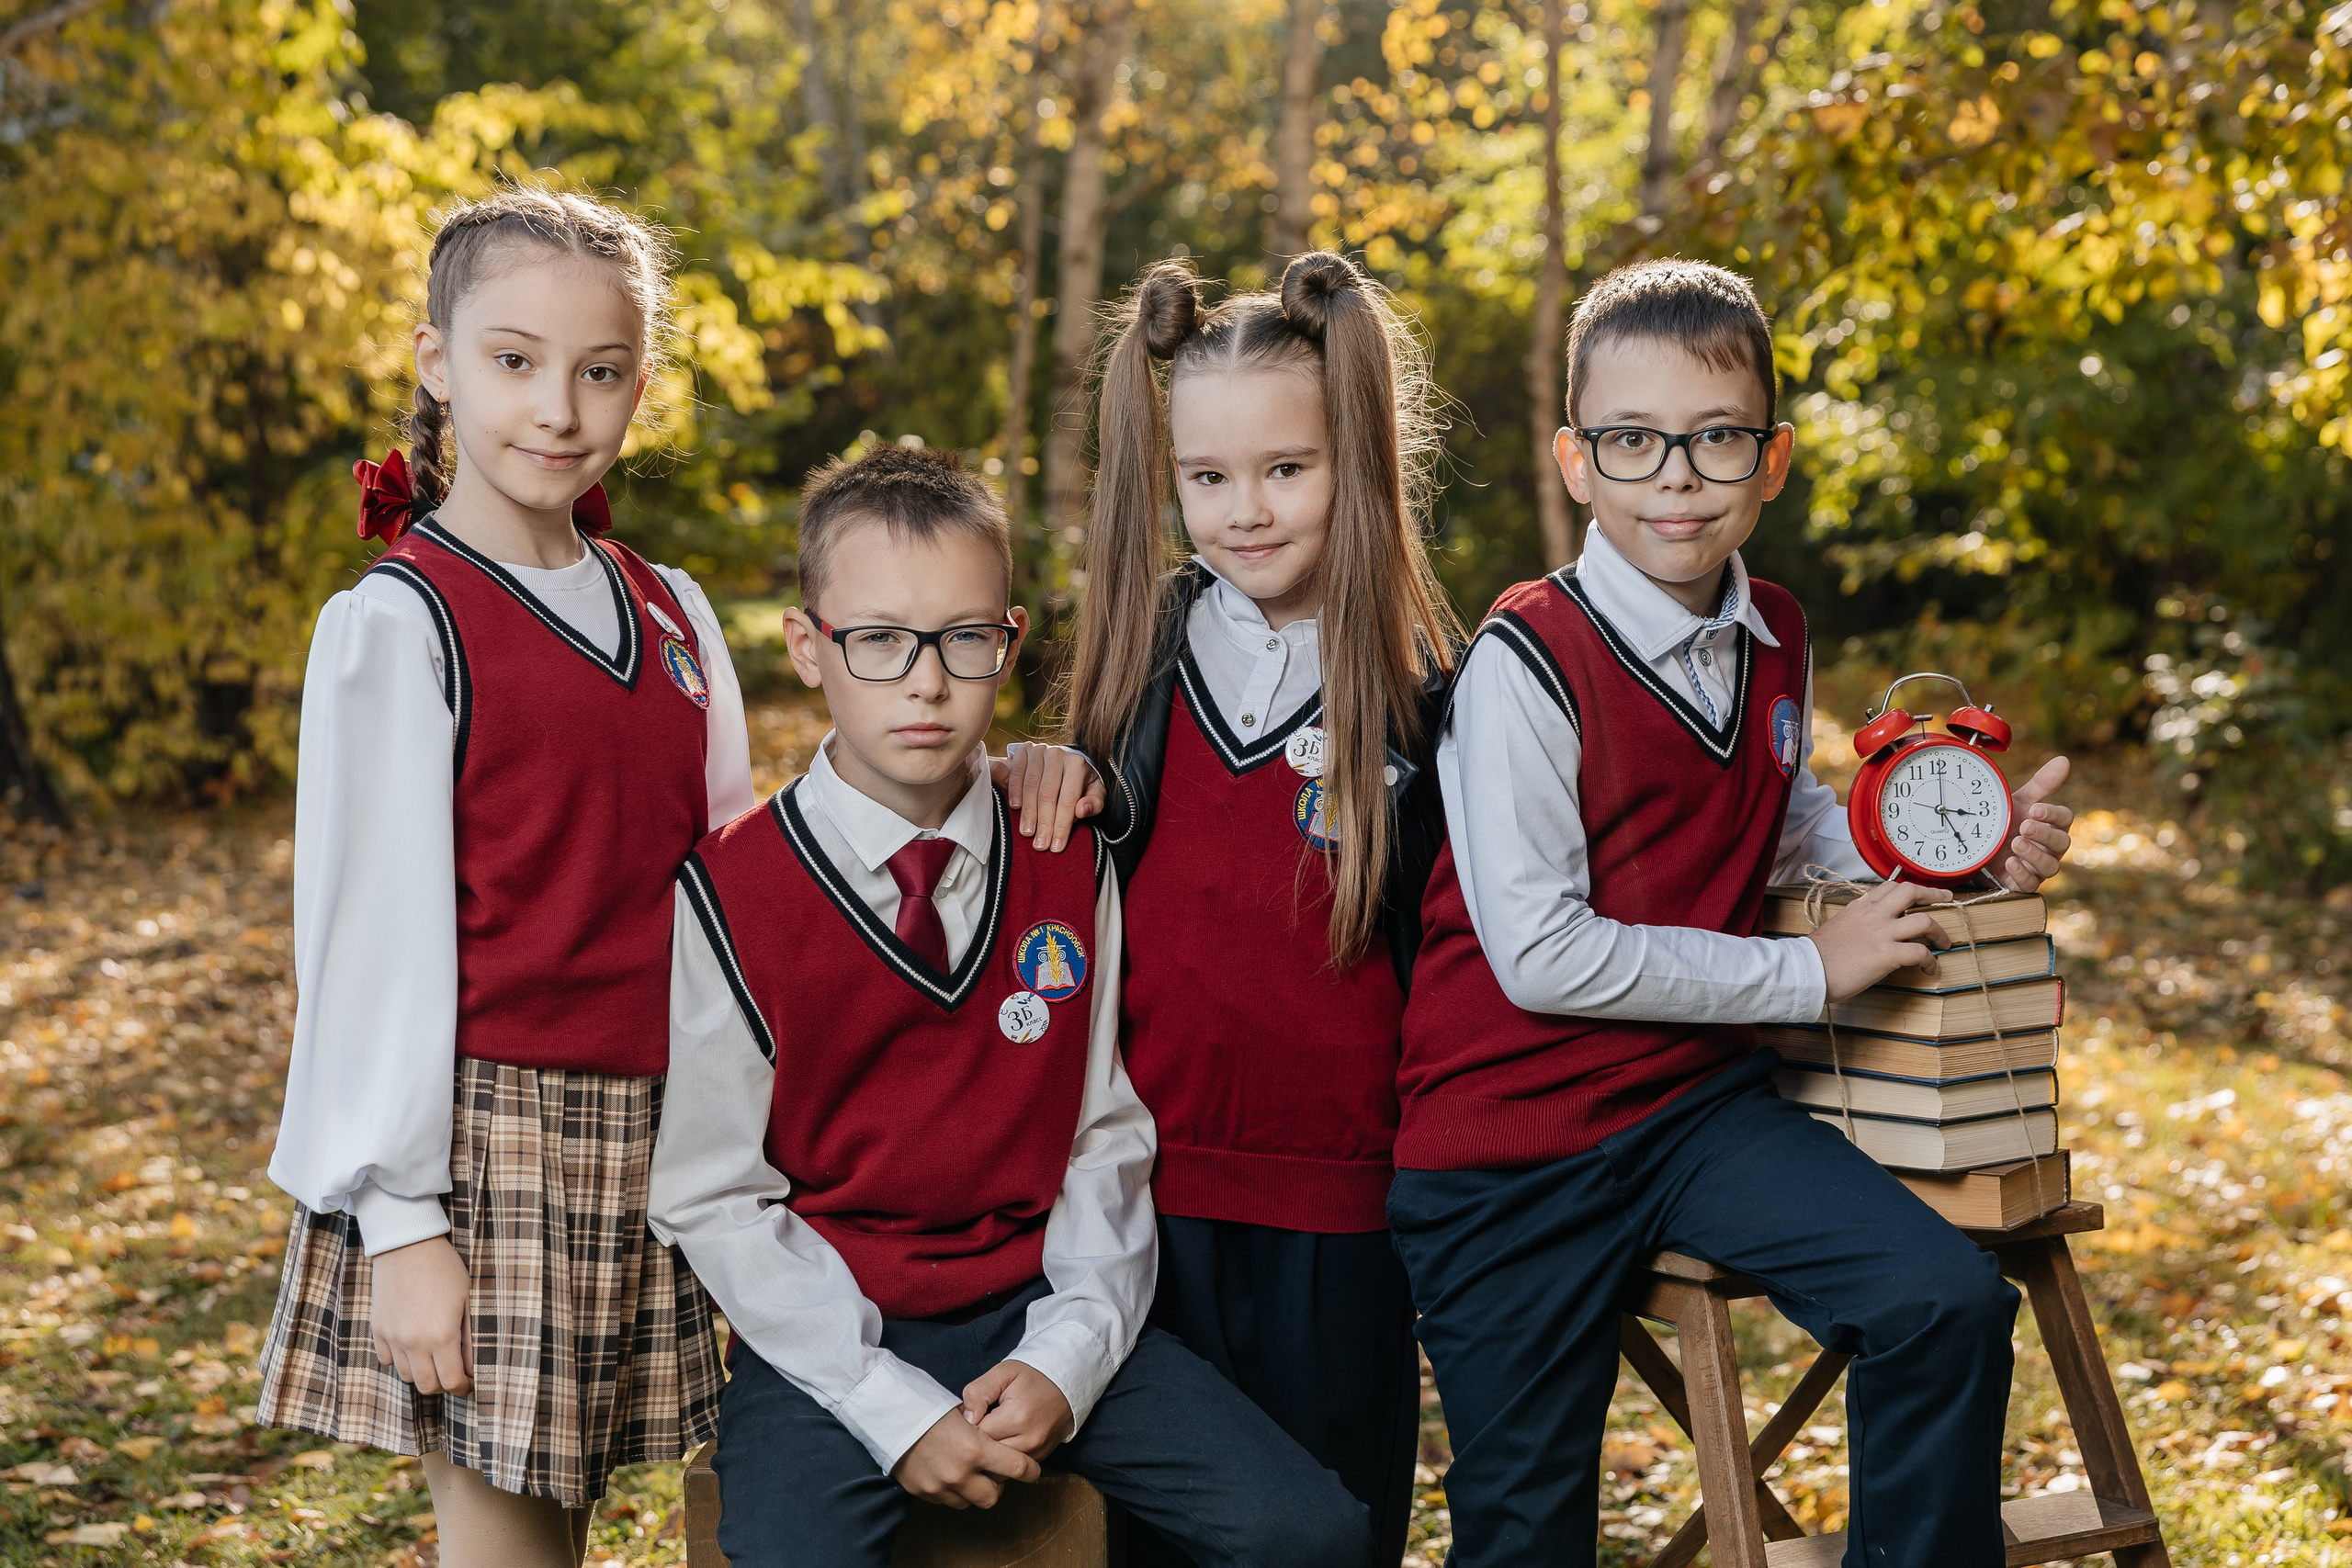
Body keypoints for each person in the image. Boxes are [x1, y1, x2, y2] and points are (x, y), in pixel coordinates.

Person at [1386, 259, 2079, 1567]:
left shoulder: (1774, 628)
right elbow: (1540, 955)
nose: (1677, 476)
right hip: (1506, 1144)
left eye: (1717, 438)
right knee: (1527, 1530)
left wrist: (1958, 852)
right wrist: (1809, 973)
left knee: (1940, 1303)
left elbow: (1791, 817)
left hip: (1690, 1111)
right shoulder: (1526, 658)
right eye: (1632, 440)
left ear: (1773, 459)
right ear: (1577, 459)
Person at [648, 445, 1376, 1568]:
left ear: (1010, 639)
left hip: (1038, 1306)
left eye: (963, 639)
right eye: (878, 640)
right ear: (806, 647)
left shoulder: (1065, 856)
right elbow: (715, 1196)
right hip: (828, 1341)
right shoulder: (732, 889)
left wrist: (1066, 1358)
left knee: (1311, 1534)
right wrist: (889, 1407)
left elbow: (1104, 1136)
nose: (926, 683)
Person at [255, 187, 750, 1567]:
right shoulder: (401, 620)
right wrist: (401, 1222)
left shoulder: (672, 608)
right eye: (514, 360)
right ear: (437, 361)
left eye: (600, 371)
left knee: (576, 1528)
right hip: (486, 1147)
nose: (557, 408)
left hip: (663, 1131)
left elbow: (736, 882)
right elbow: (369, 941)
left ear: (640, 384)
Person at [1061, 250, 1460, 1566]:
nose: (1244, 511)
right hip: (1149, 1201)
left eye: (1286, 468)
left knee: (1329, 1527)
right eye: (1207, 478)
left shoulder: (1423, 690)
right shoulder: (1137, 663)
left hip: (1344, 1211)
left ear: (1360, 460)